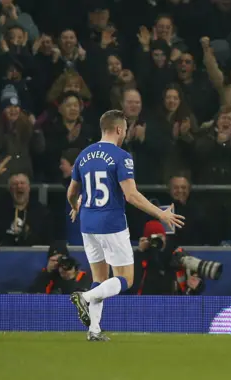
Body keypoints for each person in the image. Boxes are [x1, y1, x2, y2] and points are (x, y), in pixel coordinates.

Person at [66, 109, 185, 341]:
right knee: (125, 279)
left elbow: (72, 192)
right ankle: (86, 298)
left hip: (87, 224)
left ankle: (94, 330)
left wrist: (75, 206)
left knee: (100, 278)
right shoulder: (121, 156)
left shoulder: (83, 155)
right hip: (111, 222)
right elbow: (131, 195)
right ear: (119, 129)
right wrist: (160, 215)